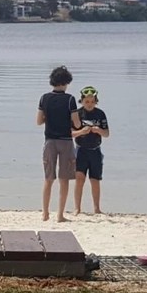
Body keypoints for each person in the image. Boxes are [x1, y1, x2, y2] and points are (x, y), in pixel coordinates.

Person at [36, 66, 81, 222]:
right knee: (64, 179)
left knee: (48, 179)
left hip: (49, 141)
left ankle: (45, 213)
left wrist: (50, 119)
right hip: (66, 141)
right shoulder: (70, 99)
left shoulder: (44, 98)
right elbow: (76, 123)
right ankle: (60, 215)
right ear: (66, 82)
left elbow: (39, 121)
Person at [71, 86, 109, 215]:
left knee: (95, 180)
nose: (89, 104)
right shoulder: (77, 114)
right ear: (82, 101)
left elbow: (107, 134)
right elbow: (70, 133)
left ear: (96, 102)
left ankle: (97, 208)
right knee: (79, 179)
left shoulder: (100, 114)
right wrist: (81, 132)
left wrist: (99, 131)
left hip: (95, 151)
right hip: (81, 150)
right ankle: (77, 208)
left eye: (92, 101)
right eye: (87, 101)